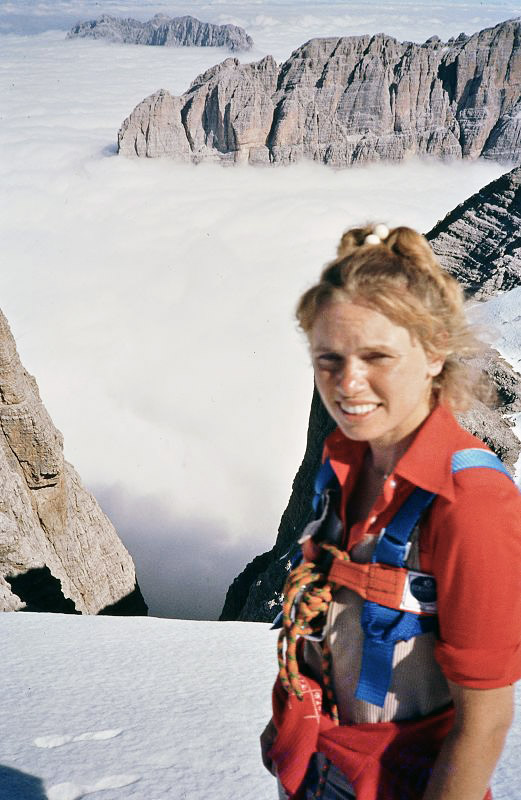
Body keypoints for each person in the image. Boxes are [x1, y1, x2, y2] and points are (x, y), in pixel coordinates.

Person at [260, 224, 521, 800]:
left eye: (377, 356)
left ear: (434, 352)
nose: (348, 384)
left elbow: (485, 721)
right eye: (329, 359)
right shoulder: (343, 461)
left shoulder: (471, 500)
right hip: (315, 762)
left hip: (402, 781)